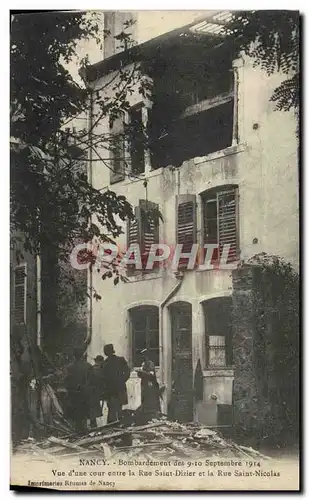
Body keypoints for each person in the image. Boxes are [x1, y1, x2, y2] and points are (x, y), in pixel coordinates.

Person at [64, 348, 92, 432]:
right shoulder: (88, 366)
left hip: (74, 394)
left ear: (74, 356)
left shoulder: (69, 367)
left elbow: (66, 380)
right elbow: (91, 381)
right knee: (84, 414)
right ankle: (84, 431)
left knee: (76, 414)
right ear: (83, 355)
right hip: (85, 393)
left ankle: (77, 431)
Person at [102, 344, 130, 423]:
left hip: (114, 390)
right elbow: (127, 371)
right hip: (114, 389)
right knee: (115, 410)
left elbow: (127, 370)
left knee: (114, 411)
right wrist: (123, 379)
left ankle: (116, 428)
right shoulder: (106, 363)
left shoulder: (118, 360)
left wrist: (123, 380)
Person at [136, 349, 161, 423]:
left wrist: (142, 372)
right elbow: (140, 375)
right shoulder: (143, 364)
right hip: (144, 385)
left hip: (150, 385)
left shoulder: (150, 364)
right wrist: (140, 372)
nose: (143, 357)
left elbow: (151, 374)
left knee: (151, 402)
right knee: (145, 401)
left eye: (144, 355)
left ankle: (152, 417)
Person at [89, 355, 105, 428]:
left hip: (92, 391)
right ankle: (94, 425)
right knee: (94, 408)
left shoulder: (91, 368)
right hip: (97, 391)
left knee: (93, 408)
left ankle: (93, 424)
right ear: (101, 361)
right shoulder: (100, 369)